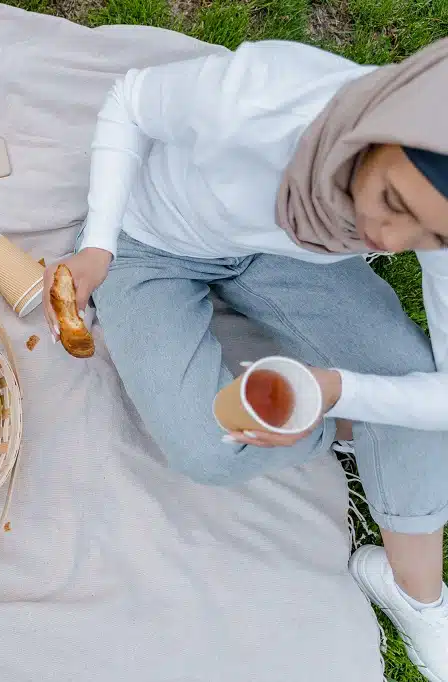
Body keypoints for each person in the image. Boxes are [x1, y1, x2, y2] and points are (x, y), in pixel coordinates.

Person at [43, 38, 448, 680]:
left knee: (412, 391)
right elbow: (130, 101)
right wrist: (97, 246)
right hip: (152, 242)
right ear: (375, 131)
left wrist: (339, 387)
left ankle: (415, 590)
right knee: (208, 447)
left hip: (286, 258)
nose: (391, 240)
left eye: (432, 236)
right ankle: (345, 434)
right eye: (394, 201)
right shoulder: (267, 95)